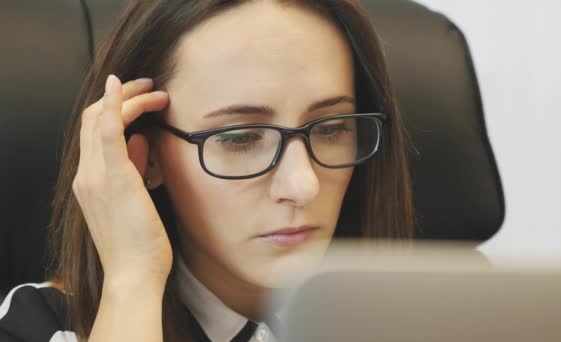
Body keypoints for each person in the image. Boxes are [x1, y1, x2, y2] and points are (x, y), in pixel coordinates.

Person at [0, 0, 413, 341]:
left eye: (331, 128)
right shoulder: (42, 326)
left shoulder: (430, 321)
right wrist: (133, 278)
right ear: (145, 156)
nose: (301, 184)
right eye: (239, 138)